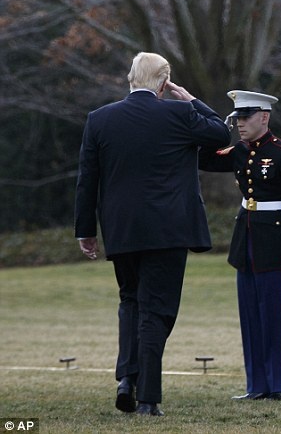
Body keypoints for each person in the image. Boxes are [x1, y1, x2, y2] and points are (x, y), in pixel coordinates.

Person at [74, 52, 231, 417]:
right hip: (168, 229)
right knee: (157, 310)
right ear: (163, 83)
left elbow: (87, 181)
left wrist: (86, 231)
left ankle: (127, 378)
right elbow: (220, 132)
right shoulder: (178, 113)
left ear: (130, 79)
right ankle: (148, 397)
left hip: (122, 228)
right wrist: (189, 98)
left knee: (131, 301)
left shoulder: (100, 120)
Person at [199, 90, 281, 401]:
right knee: (251, 316)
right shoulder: (239, 151)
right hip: (246, 239)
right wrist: (198, 109)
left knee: (276, 316)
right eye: (236, 118)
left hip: (275, 242)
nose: (239, 124)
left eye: (245, 117)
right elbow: (203, 158)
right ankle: (258, 385)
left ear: (264, 117)